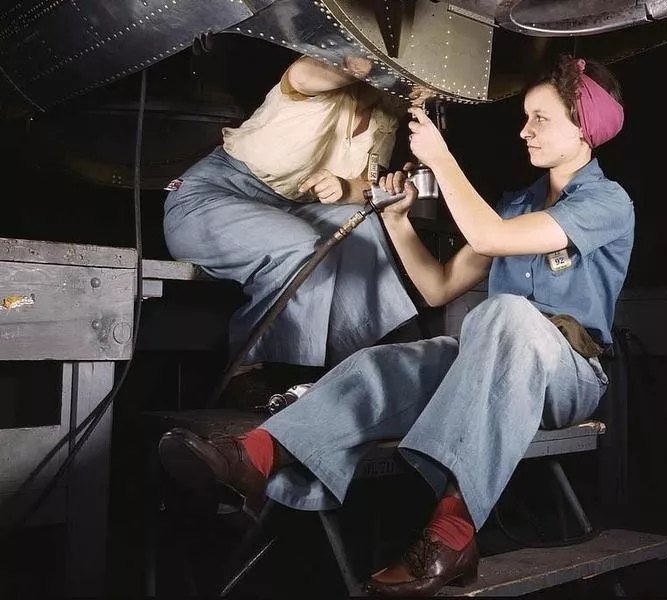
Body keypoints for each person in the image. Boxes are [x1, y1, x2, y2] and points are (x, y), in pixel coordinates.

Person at [158, 53, 634, 596]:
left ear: (584, 129)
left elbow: (490, 240)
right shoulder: (515, 203)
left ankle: (452, 534)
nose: (524, 131)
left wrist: (443, 160)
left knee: (503, 313)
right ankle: (253, 459)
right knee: (386, 362)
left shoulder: (607, 202)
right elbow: (437, 286)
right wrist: (396, 218)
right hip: (492, 360)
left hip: (567, 376)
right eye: (524, 116)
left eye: (541, 119)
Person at [161, 55, 418, 399]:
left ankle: (359, 367)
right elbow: (302, 76)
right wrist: (360, 63)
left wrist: (343, 188)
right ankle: (246, 372)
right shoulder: (315, 78)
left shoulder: (387, 113)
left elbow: (364, 186)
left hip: (290, 210)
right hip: (211, 198)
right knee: (299, 244)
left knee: (361, 227)